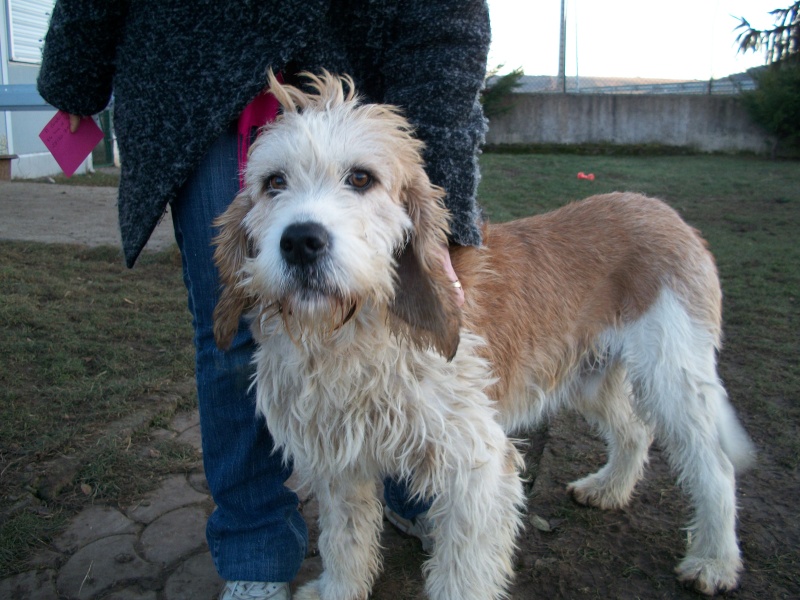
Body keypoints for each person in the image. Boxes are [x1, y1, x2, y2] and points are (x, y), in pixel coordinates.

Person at [38, 2, 491, 599]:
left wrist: (446, 209)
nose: (303, 223)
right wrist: (76, 71)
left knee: (401, 317)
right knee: (233, 341)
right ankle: (255, 548)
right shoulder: (245, 221)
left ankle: (414, 484)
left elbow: (448, 18)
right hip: (194, 74)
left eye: (358, 182)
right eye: (274, 188)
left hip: (364, 48)